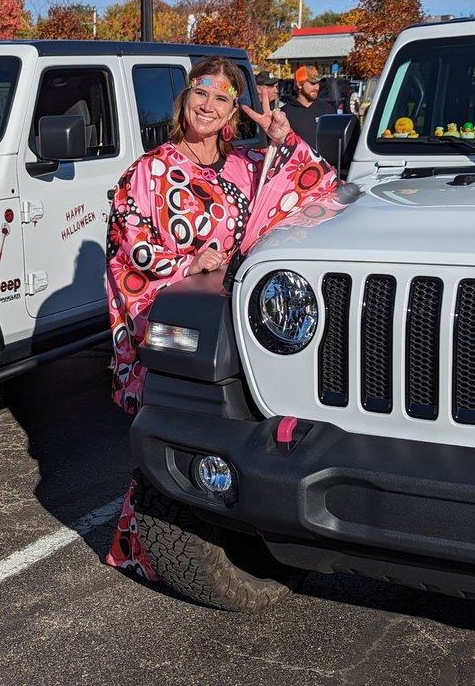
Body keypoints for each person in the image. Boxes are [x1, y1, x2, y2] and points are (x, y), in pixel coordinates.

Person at [103, 55, 342, 578]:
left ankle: (250, 541)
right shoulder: (149, 170)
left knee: (241, 440)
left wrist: (285, 139)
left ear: (234, 111)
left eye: (221, 98)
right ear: (184, 100)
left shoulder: (247, 165)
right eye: (200, 94)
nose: (207, 106)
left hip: (245, 324)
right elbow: (127, 247)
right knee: (180, 441)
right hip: (185, 323)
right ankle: (156, 547)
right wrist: (186, 262)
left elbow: (318, 188)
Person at [281, 65, 339, 151]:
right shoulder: (285, 113)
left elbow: (336, 141)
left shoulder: (327, 110)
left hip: (323, 163)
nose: (316, 87)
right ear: (299, 85)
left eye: (318, 83)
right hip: (297, 163)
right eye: (312, 83)